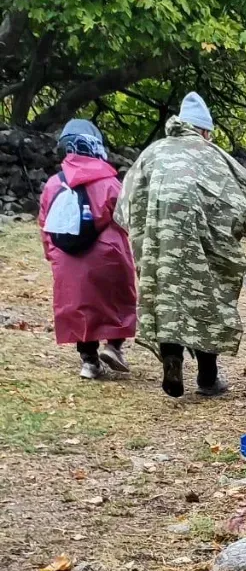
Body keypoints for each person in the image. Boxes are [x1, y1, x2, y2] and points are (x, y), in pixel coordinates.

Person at [116, 92, 246, 398]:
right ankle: (207, 377)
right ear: (204, 130)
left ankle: (172, 359)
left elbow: (125, 204)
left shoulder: (151, 154)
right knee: (207, 300)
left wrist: (148, 232)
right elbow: (244, 198)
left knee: (166, 299)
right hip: (202, 247)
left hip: (157, 247)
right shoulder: (212, 156)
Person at [39, 119, 137, 381]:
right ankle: (114, 347)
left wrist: (53, 254)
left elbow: (45, 223)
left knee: (78, 306)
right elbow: (126, 218)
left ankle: (89, 361)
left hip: (67, 258)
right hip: (108, 255)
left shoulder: (53, 184)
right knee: (117, 299)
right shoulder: (110, 183)